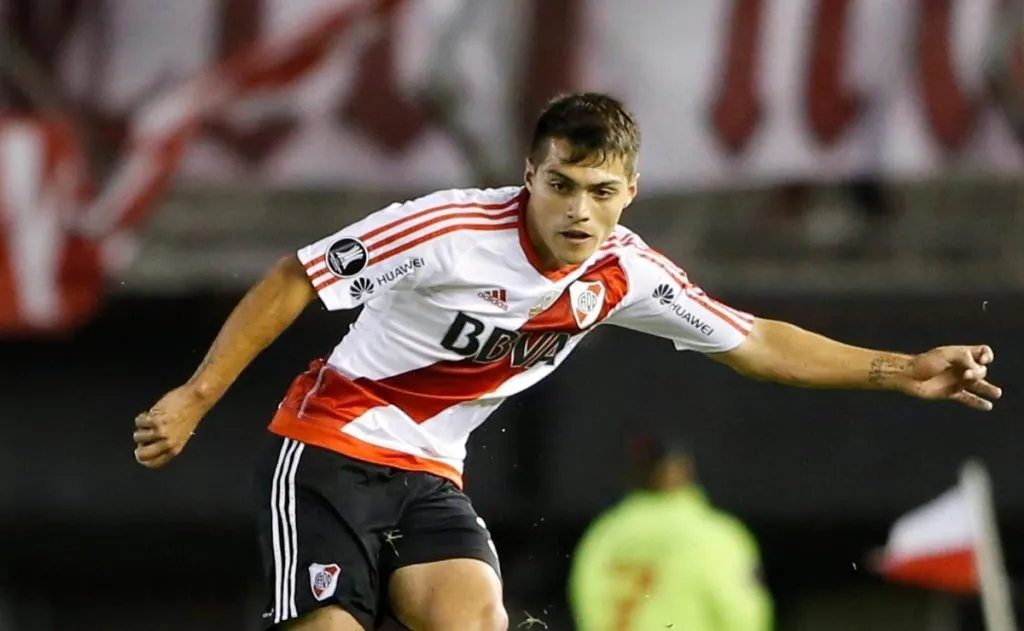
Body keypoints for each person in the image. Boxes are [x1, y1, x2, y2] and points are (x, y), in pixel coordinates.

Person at [131, 92, 1002, 631]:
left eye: (601, 190)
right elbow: (296, 276)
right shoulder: (446, 231)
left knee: (478, 620)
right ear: (530, 175)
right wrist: (197, 396)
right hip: (324, 453)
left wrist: (902, 369)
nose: (579, 210)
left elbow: (760, 343)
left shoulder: (627, 273)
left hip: (432, 475)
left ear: (629, 192)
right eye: (561, 184)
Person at [568, 434, 773, 631]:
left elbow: (585, 603)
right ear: (684, 469)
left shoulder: (604, 533)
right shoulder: (713, 534)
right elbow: (743, 614)